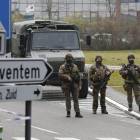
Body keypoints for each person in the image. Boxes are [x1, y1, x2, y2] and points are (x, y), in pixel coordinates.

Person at [58, 54, 83, 118]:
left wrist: (80, 85)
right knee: (68, 99)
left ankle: (77, 112)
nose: (70, 60)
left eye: (71, 58)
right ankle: (68, 112)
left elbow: (79, 76)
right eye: (69, 59)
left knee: (76, 99)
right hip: (66, 84)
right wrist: (67, 77)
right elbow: (60, 74)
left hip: (75, 85)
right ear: (66, 59)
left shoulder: (75, 66)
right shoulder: (63, 67)